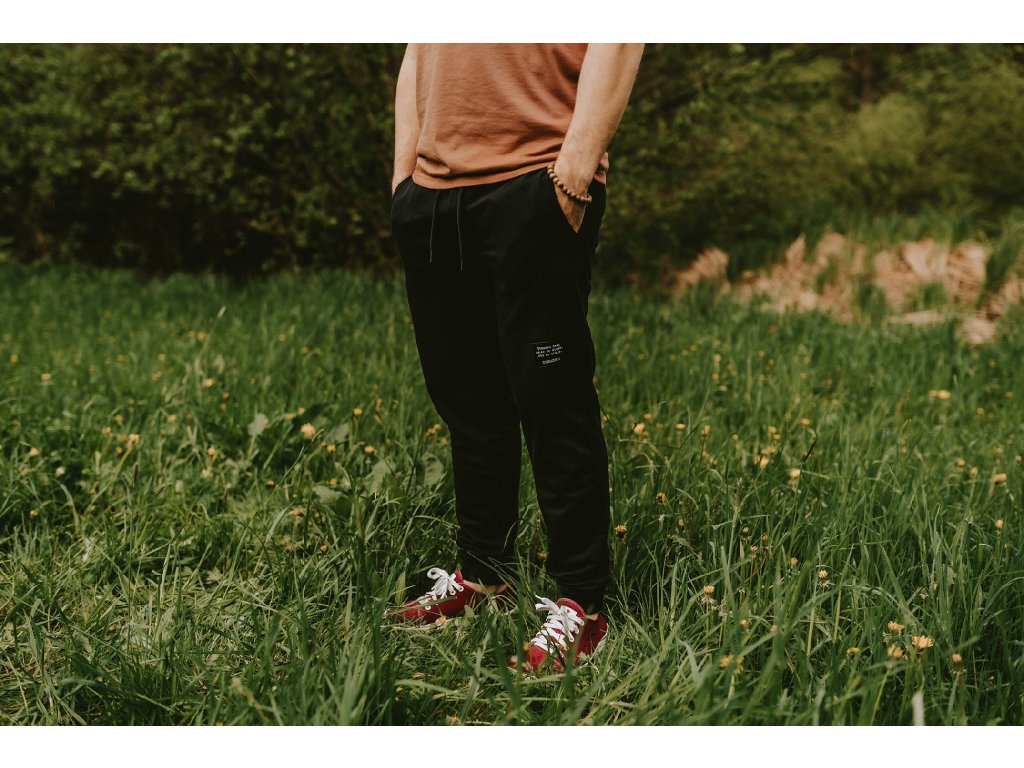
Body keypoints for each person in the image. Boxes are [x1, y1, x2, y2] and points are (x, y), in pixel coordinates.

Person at [389, 43, 644, 673]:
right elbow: (419, 48)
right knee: (467, 401)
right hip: (433, 198)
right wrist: (404, 183)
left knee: (553, 402)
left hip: (536, 182)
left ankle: (581, 603)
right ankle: (482, 575)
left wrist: (574, 172)